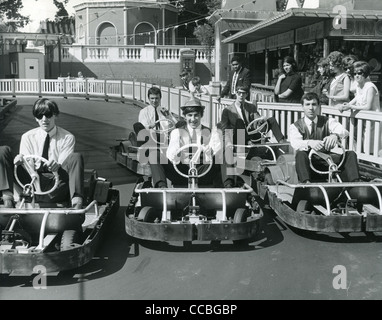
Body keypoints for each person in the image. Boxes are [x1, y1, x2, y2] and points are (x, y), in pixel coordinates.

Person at [14, 98, 85, 209]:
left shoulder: (67, 137)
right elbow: (29, 167)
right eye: (39, 116)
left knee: (76, 157)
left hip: (55, 183)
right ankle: (9, 198)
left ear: (55, 115)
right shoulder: (27, 137)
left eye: (48, 115)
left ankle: (77, 202)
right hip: (32, 184)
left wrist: (56, 165)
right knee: (5, 154)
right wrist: (19, 162)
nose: (44, 119)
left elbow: (64, 165)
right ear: (35, 118)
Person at [148, 99, 228, 188]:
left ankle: (229, 186)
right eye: (190, 115)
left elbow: (217, 156)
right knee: (154, 154)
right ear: (185, 116)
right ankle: (161, 187)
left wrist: (209, 154)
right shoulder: (177, 132)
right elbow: (171, 157)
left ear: (201, 115)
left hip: (204, 172)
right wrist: (176, 154)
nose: (193, 119)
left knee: (227, 150)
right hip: (181, 173)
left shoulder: (212, 133)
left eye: (196, 115)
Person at [289, 92, 360, 183]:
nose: (311, 108)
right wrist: (309, 142)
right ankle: (306, 184)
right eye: (307, 104)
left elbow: (344, 131)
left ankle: (355, 184)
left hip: (327, 161)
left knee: (350, 154)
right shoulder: (296, 126)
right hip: (309, 164)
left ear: (318, 106)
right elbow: (295, 143)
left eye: (314, 104)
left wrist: (335, 136)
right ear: (302, 107)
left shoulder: (327, 121)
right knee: (301, 154)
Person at [219, 86, 286, 146]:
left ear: (246, 95)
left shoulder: (250, 107)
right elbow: (225, 129)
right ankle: (247, 142)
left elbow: (257, 119)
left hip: (251, 133)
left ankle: (283, 143)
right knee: (239, 122)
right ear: (236, 94)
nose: (241, 95)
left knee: (272, 120)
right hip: (238, 136)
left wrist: (262, 119)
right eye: (239, 93)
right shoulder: (227, 111)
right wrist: (228, 143)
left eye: (244, 93)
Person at [339, 61, 381, 155]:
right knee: (363, 146)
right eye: (355, 73)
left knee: (373, 148)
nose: (356, 76)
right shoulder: (359, 86)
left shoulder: (370, 87)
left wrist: (351, 106)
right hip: (364, 120)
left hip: (374, 121)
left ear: (365, 74)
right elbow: (356, 98)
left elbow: (368, 106)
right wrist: (345, 105)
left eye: (360, 73)